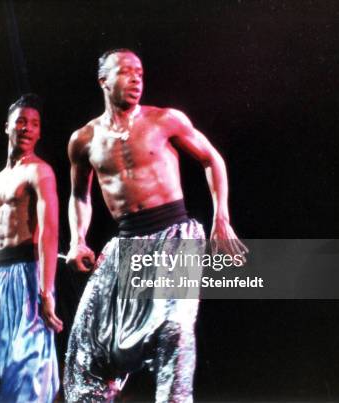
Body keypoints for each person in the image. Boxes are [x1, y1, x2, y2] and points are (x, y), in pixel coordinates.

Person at [64, 49, 247, 402]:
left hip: (174, 236)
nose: (136, 79)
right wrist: (77, 240)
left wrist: (221, 218)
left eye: (140, 73)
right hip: (126, 243)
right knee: (86, 344)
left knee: (174, 330)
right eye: (126, 72)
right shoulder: (83, 139)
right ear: (104, 80)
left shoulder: (166, 120)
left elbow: (212, 159)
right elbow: (79, 196)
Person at [0, 93, 63, 402]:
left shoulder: (40, 172)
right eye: (21, 121)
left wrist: (46, 294)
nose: (28, 128)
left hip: (28, 277)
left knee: (26, 369)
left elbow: (49, 233)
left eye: (34, 124)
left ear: (40, 132)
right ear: (7, 127)